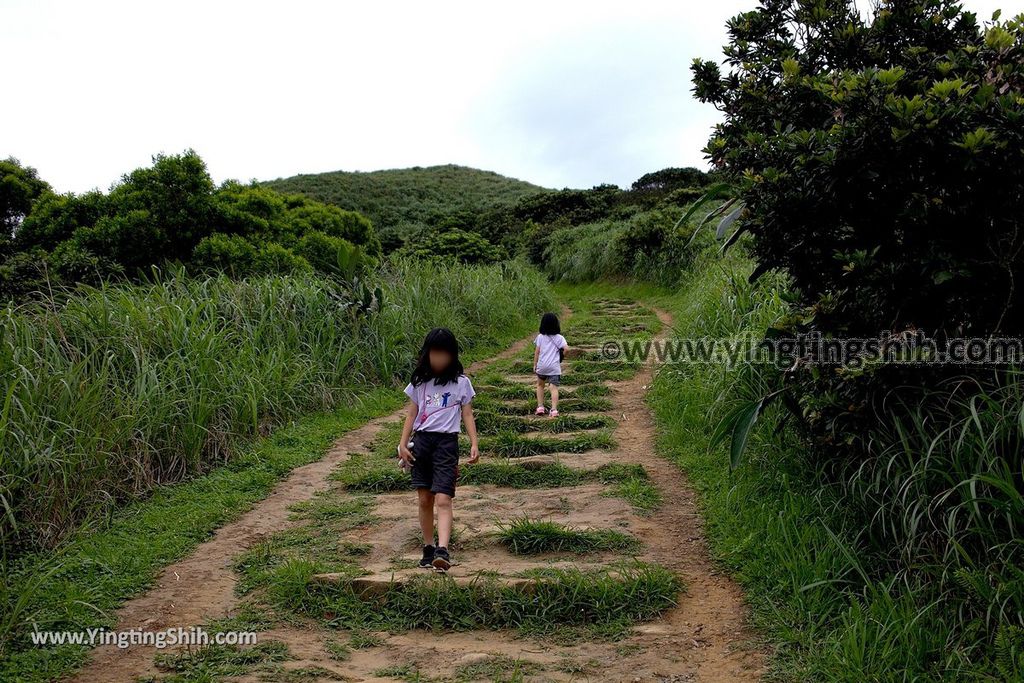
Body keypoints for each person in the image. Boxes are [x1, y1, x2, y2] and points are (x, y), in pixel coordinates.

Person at [398, 328, 479, 572]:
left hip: (446, 444)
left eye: (444, 354)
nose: (439, 359)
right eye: (435, 353)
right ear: (427, 354)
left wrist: (474, 443)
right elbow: (411, 413)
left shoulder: (461, 383)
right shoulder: (419, 383)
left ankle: (443, 550)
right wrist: (402, 444)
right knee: (424, 499)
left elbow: (467, 413)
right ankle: (428, 548)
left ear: (452, 356)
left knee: (444, 498)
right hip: (421, 443)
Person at [534, 312, 568, 417]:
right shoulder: (560, 338)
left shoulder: (540, 337)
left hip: (542, 366)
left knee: (540, 385)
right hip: (554, 367)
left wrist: (535, 364)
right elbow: (566, 349)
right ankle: (553, 410)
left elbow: (537, 352)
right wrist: (562, 356)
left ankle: (540, 407)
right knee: (553, 388)